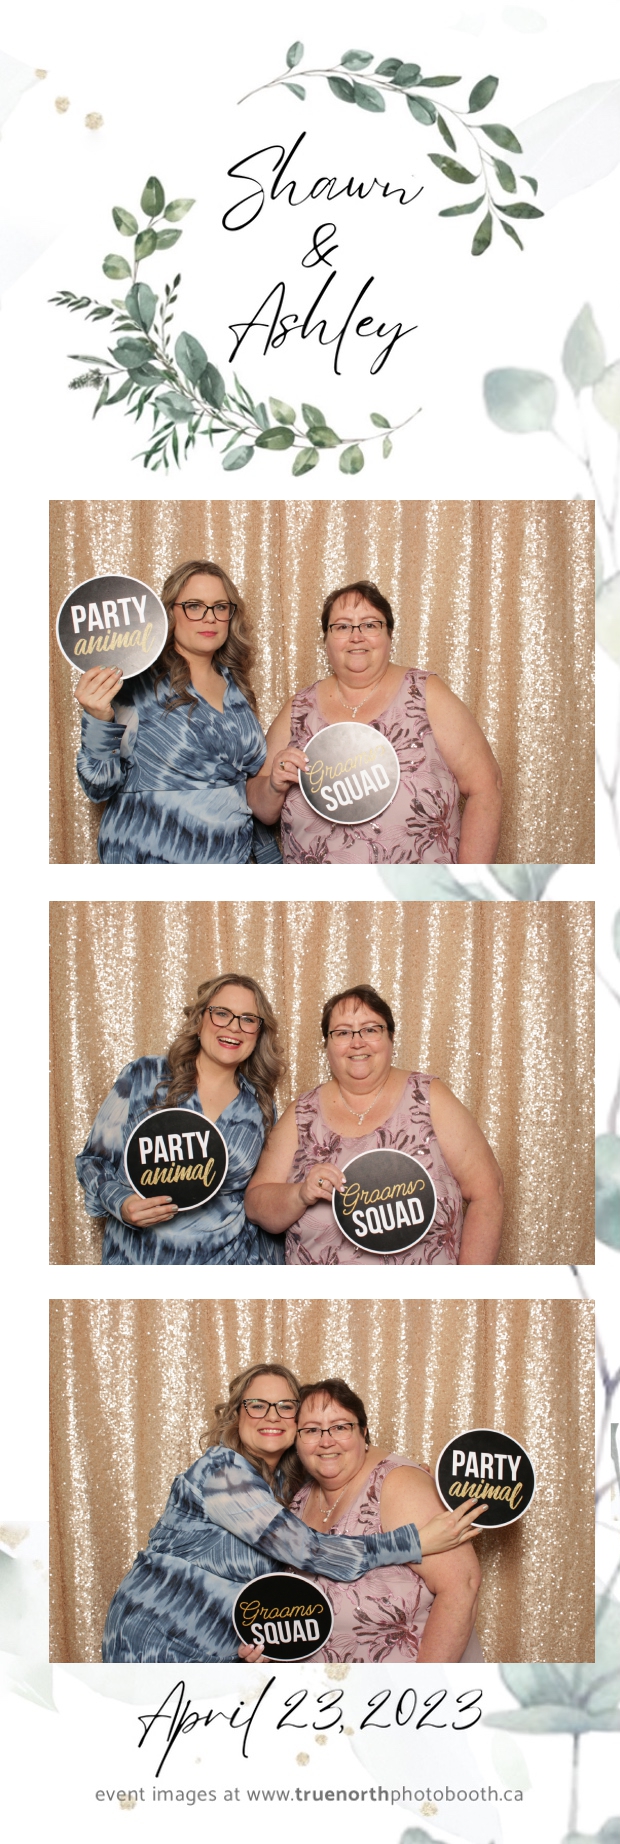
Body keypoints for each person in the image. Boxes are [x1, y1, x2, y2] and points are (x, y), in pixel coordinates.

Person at [102, 1365, 486, 1663]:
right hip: (158, 1639)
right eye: (257, 1405)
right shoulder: (223, 1472)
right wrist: (413, 1541)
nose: (271, 1416)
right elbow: (309, 1550)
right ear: (237, 1415)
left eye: (285, 1407)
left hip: (218, 1659)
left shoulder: (284, 1489)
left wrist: (407, 1474)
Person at [245, 984, 504, 1265]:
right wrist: (300, 1194)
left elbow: (488, 1192)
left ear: (390, 1037)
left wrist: (469, 1286)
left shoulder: (428, 1097)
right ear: (327, 1045)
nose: (357, 1042)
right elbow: (256, 1205)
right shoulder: (303, 1113)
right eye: (342, 1032)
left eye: (370, 1029)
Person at [249, 580, 502, 864]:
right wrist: (273, 786)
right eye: (342, 626)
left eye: (370, 625)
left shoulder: (424, 693)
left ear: (389, 635)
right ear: (326, 640)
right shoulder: (300, 708)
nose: (356, 636)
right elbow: (260, 808)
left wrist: (471, 884)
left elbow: (486, 785)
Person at [241, 1379, 483, 1665]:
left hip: (397, 1687)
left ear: (363, 1433)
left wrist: (425, 1685)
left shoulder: (398, 1484)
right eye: (312, 1430)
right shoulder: (298, 1499)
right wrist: (271, 1649)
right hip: (320, 1689)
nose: (326, 1441)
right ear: (296, 1439)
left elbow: (462, 1586)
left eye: (340, 1427)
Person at [74, 559, 282, 863]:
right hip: (152, 856)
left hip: (230, 858)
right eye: (194, 606)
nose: (209, 618)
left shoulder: (235, 684)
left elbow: (247, 785)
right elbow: (98, 786)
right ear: (169, 612)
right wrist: (98, 719)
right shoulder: (136, 682)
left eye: (220, 607)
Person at [76, 976, 287, 1265]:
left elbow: (260, 1198)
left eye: (248, 1019)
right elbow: (93, 1160)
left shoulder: (260, 1106)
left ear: (258, 1033)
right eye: (222, 1013)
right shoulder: (144, 1076)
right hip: (138, 1260)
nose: (234, 1027)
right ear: (200, 1020)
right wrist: (121, 1202)